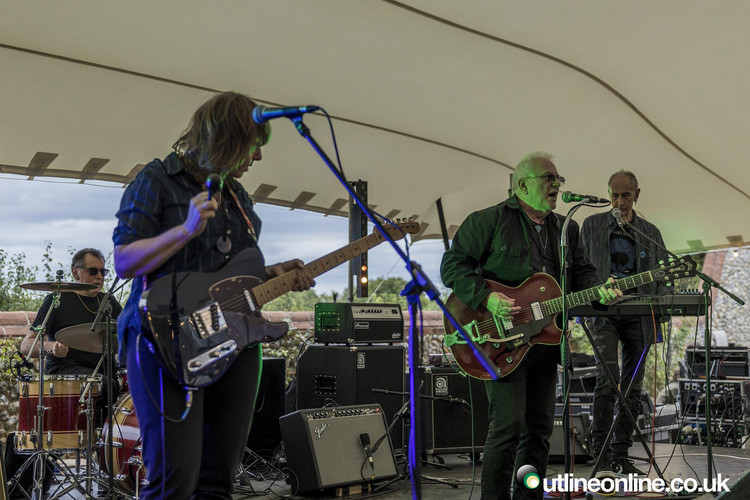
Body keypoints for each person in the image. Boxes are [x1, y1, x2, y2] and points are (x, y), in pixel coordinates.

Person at [113, 91, 314, 499]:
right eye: (253, 146)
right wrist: (184, 230)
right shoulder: (157, 179)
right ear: (226, 140)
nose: (258, 157)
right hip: (162, 340)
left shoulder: (238, 197)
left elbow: (228, 277)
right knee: (174, 479)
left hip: (232, 341)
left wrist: (272, 273)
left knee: (219, 480)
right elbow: (124, 261)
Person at [440, 152, 621, 500]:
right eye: (548, 178)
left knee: (539, 430)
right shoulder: (488, 220)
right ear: (522, 185)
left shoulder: (566, 228)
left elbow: (582, 275)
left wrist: (601, 290)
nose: (556, 185)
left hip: (545, 341)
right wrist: (486, 298)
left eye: (558, 179)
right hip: (499, 339)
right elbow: (452, 266)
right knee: (508, 426)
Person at [580, 169, 668, 476]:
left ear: (637, 195)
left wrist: (665, 304)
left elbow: (663, 274)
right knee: (607, 380)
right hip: (602, 312)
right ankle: (600, 455)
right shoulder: (591, 226)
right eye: (614, 196)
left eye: (626, 195)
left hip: (639, 313)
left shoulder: (650, 232)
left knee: (633, 387)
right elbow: (577, 269)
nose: (620, 202)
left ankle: (620, 454)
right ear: (609, 195)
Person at [20, 248, 122, 425]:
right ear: (75, 272)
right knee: (106, 384)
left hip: (105, 371)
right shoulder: (57, 300)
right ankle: (100, 436)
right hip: (66, 369)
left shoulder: (108, 302)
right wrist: (52, 347)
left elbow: (130, 333)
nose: (99, 276)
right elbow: (27, 345)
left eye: (103, 272)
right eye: (93, 271)